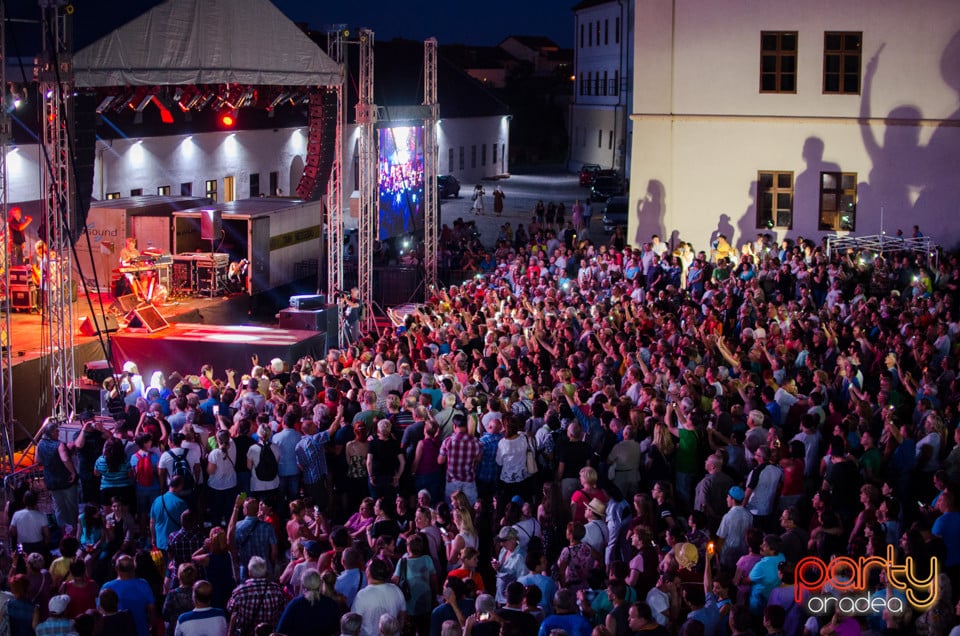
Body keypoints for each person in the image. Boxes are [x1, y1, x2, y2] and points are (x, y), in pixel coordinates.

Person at [226, 556, 286, 636]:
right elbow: (283, 609)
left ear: (249, 572)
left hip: (247, 633)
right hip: (270, 633)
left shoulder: (240, 591)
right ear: (265, 572)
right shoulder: (277, 589)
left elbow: (230, 609)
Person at [37, 419, 79, 530]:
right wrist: (73, 473)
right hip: (65, 480)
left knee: (59, 507)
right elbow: (65, 459)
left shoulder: (40, 444)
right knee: (71, 506)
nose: (58, 433)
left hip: (51, 481)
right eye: (56, 431)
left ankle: (62, 530)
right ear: (51, 433)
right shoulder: (59, 445)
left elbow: (38, 460)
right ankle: (74, 529)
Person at [101, 554, 157, 636]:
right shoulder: (143, 584)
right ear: (134, 567)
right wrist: (152, 627)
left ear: (116, 568)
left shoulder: (107, 587)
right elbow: (152, 609)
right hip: (141, 631)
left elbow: (100, 611)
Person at [275, 569, 342, 636]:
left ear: (303, 585)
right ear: (320, 584)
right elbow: (338, 630)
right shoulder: (331, 604)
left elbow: (280, 631)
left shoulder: (295, 604)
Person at [351, 558, 406, 636]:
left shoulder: (362, 595)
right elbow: (402, 616)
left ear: (368, 573)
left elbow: (353, 624)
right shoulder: (396, 590)